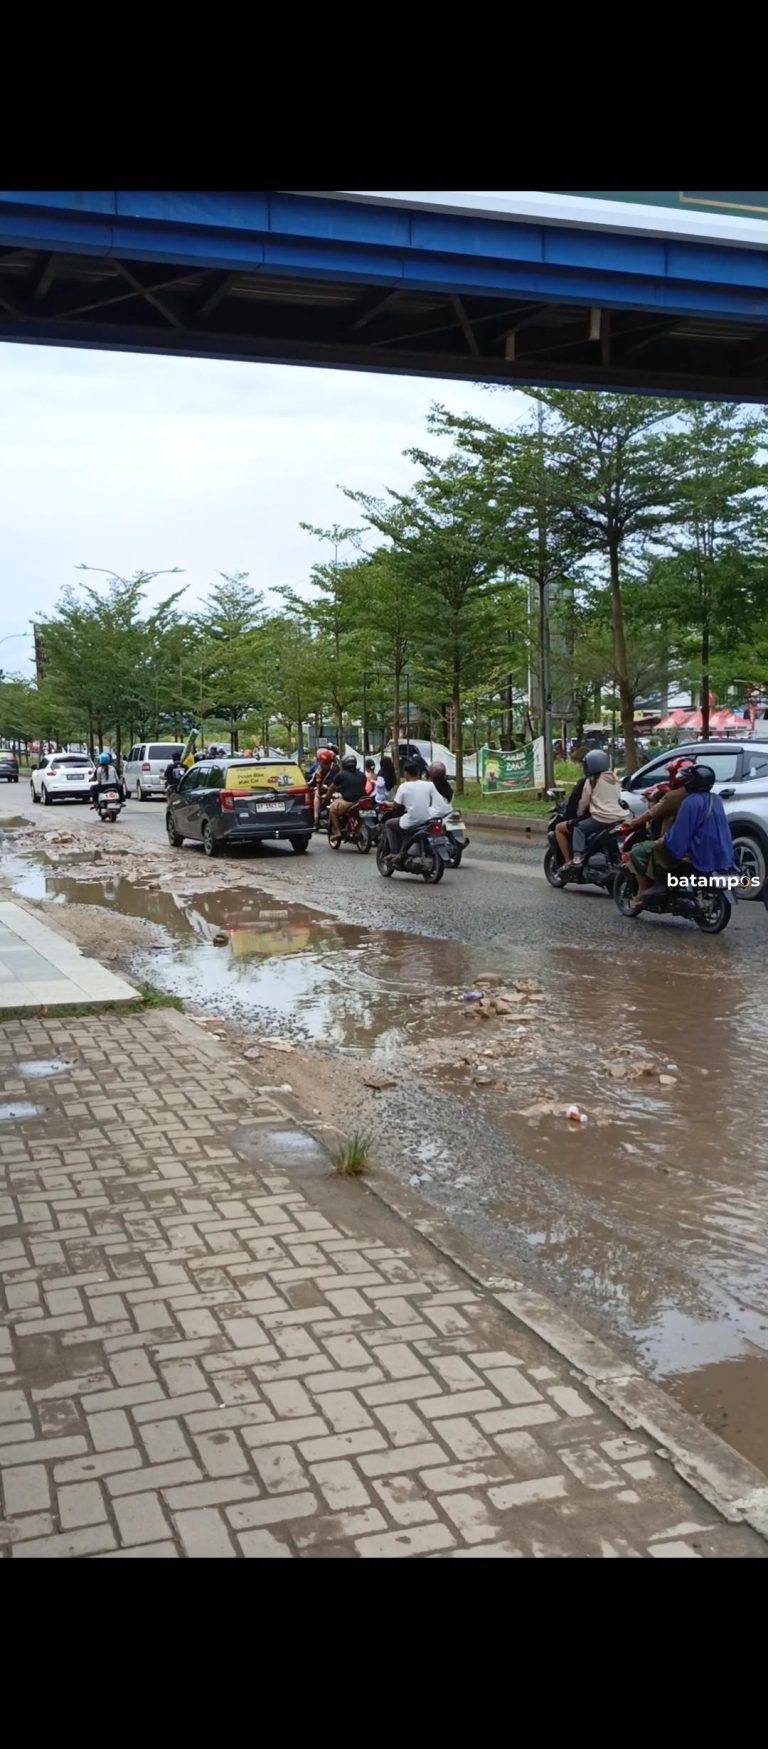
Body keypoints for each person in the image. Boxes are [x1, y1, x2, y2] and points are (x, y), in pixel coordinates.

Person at [634, 763, 734, 908]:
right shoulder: (716, 799)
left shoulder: (690, 802)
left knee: (658, 850)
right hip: (720, 851)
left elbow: (680, 834)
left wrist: (666, 843)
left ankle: (660, 885)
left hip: (698, 853)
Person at [624, 758, 693, 900]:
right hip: (698, 844)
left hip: (674, 844)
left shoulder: (674, 796)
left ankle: (642, 893)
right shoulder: (706, 797)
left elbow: (651, 813)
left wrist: (633, 823)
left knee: (637, 852)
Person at [561, 750, 627, 870]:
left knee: (579, 829)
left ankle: (577, 858)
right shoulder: (614, 779)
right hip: (618, 817)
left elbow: (583, 802)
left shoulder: (592, 780)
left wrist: (579, 815)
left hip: (601, 818)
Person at [383, 757, 451, 859]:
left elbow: (394, 806)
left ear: (405, 773)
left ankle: (394, 852)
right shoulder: (429, 785)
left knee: (389, 824)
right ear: (418, 773)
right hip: (426, 819)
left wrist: (385, 803)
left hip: (411, 821)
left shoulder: (403, 787)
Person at [327, 753, 366, 844]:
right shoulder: (362, 775)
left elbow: (331, 788)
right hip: (361, 801)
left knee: (332, 809)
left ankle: (337, 832)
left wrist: (327, 798)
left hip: (348, 802)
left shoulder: (341, 775)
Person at [311, 748, 337, 827]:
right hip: (337, 789)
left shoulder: (320, 768)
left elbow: (314, 781)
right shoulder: (336, 767)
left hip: (327, 789)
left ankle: (316, 817)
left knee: (316, 794)